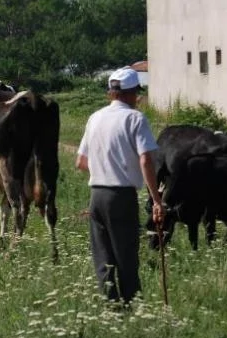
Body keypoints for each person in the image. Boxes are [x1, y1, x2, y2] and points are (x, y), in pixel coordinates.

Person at [75, 66, 165, 305]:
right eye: (137, 93)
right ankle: (132, 305)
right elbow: (146, 159)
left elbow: (81, 162)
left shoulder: (95, 118)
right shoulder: (135, 118)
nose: (137, 98)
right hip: (121, 196)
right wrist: (156, 199)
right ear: (130, 92)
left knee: (103, 255)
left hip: (97, 195)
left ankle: (111, 305)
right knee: (126, 254)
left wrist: (105, 169)